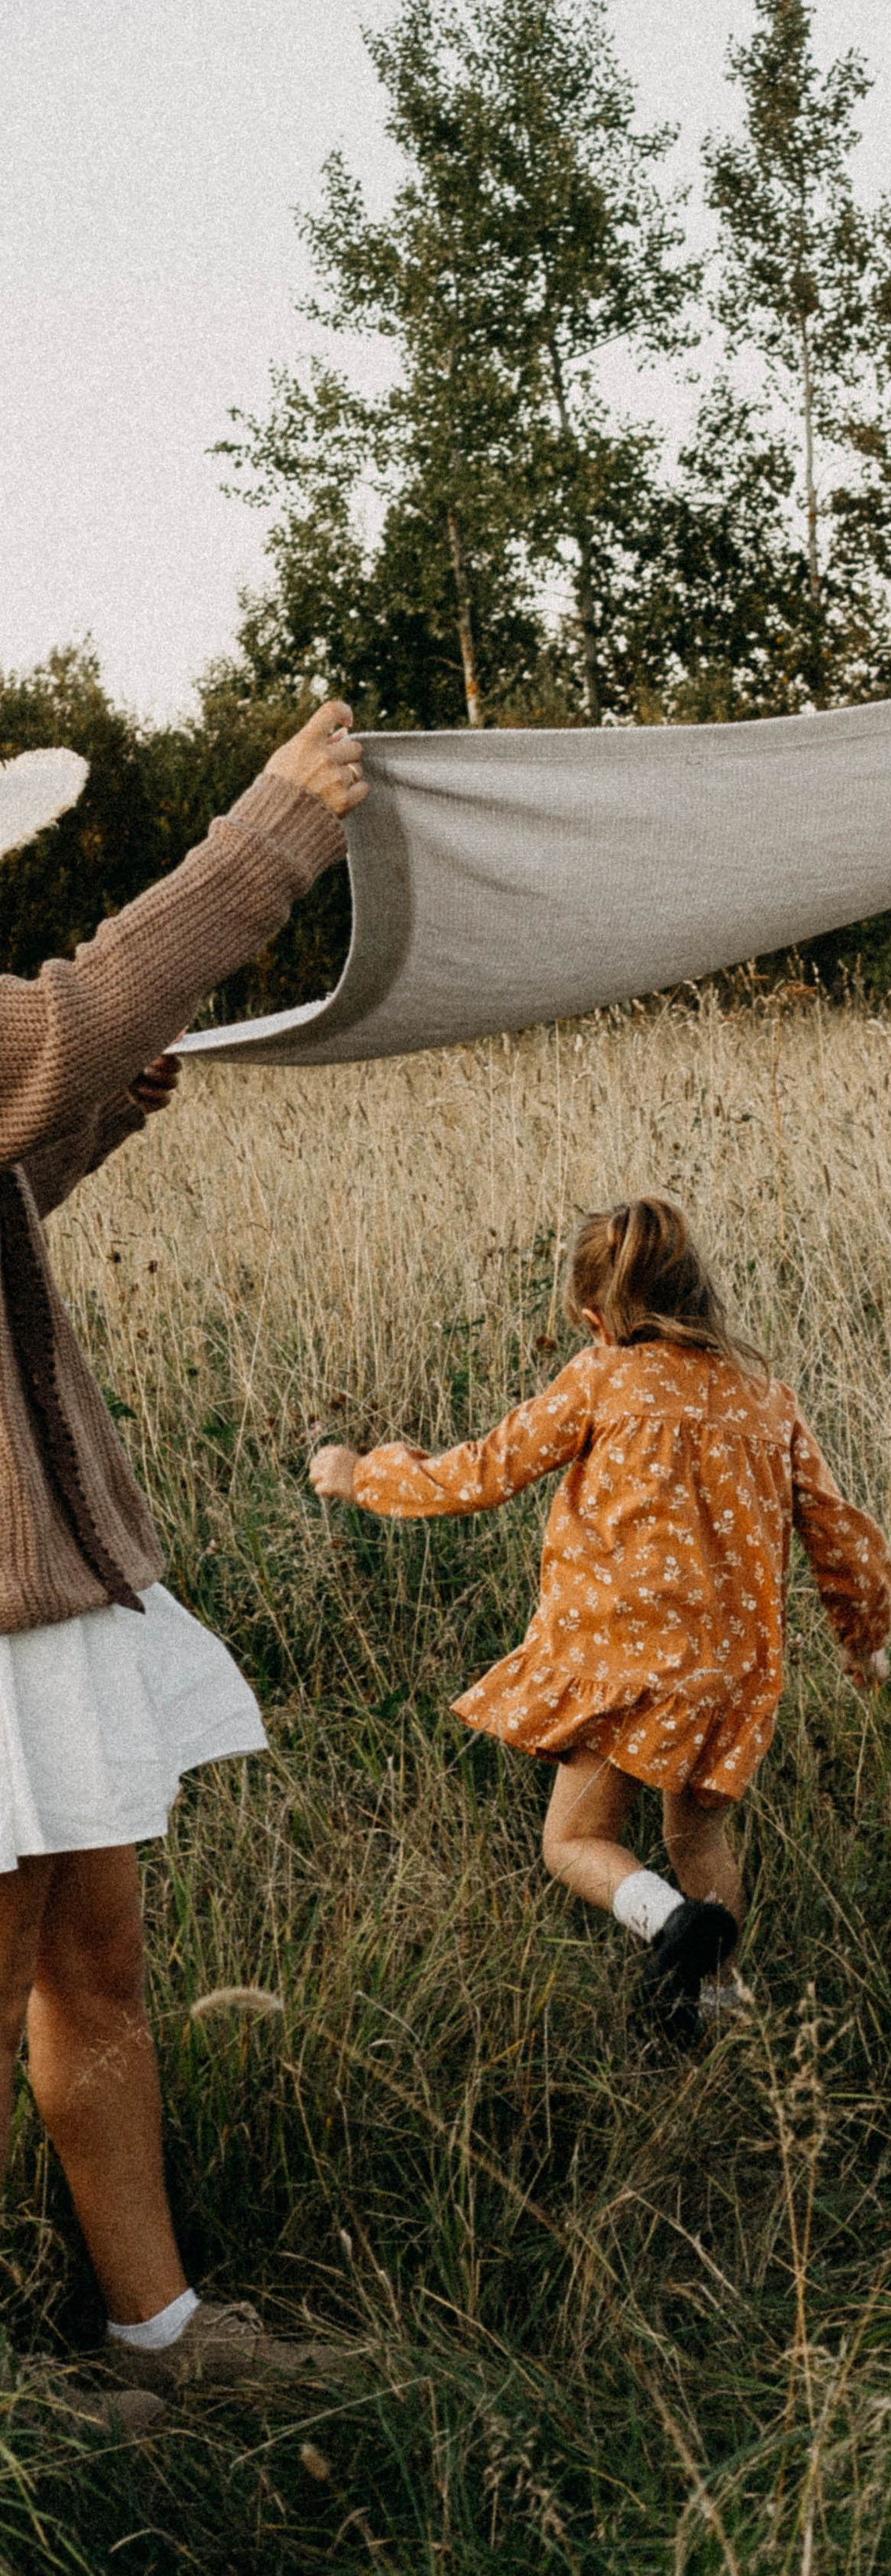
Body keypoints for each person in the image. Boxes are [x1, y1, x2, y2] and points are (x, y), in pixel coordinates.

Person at [0, 700, 366, 2422]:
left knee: (98, 1972)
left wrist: (93, 1118)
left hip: (42, 1595)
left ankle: (164, 2336)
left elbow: (31, 1121)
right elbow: (71, 1020)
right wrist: (268, 843)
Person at [309, 1196, 891, 2037]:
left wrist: (363, 1474)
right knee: (699, 1842)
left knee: (574, 1842)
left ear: (593, 1316)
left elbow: (482, 1472)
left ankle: (668, 1925)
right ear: (700, 1297)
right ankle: (718, 2006)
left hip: (619, 1661)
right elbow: (840, 1537)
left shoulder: (600, 1377)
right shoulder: (770, 1402)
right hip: (727, 1670)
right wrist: (863, 1643)